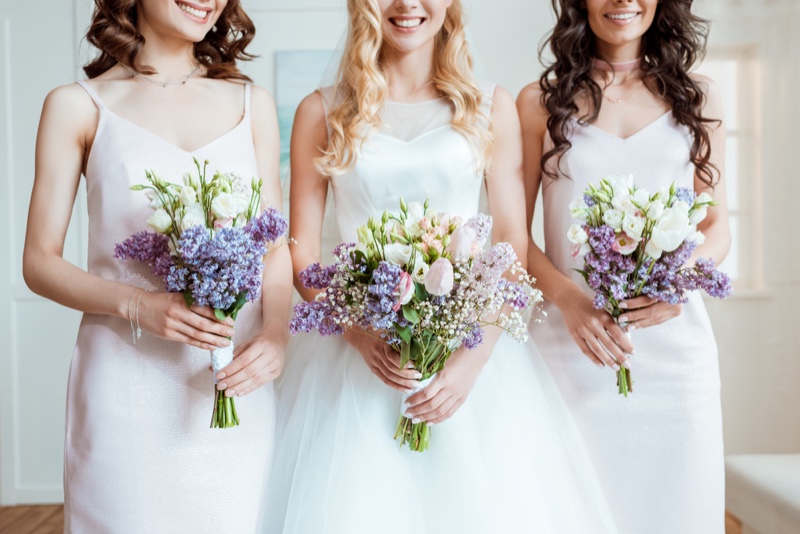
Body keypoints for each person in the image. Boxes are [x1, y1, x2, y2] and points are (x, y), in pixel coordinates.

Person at [263, 1, 618, 532]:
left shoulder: (488, 106)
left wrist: (472, 363)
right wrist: (359, 334)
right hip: (352, 360)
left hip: (472, 356)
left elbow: (510, 243)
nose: (408, 6)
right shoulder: (324, 110)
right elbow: (304, 253)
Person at [22, 0, 292, 531]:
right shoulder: (76, 106)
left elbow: (275, 245)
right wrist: (138, 305)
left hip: (234, 384)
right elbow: (38, 261)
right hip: (125, 383)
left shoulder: (251, 102)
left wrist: (277, 335)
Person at [517, 0, 730, 532]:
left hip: (676, 359)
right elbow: (512, 238)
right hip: (572, 351)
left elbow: (717, 229)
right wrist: (570, 302)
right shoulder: (538, 103)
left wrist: (676, 286)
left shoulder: (698, 96)